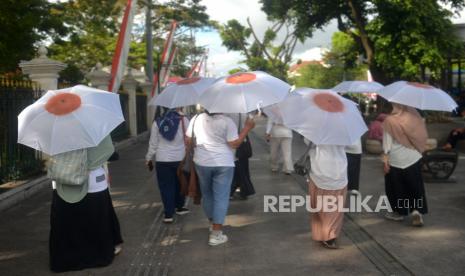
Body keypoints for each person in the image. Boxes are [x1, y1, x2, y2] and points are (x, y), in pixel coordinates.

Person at [48, 135, 123, 272]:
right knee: (96, 220)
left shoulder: (55, 128)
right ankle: (97, 256)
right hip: (93, 181)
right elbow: (107, 150)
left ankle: (67, 260)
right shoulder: (94, 123)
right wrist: (89, 164)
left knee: (67, 223)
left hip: (64, 182)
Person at [186, 111, 255, 246]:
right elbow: (234, 144)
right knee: (221, 197)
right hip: (223, 163)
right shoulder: (227, 121)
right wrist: (247, 128)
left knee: (207, 195)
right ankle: (216, 234)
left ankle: (213, 224)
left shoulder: (196, 118)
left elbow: (188, 140)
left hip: (202, 162)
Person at [383, 103, 428, 226]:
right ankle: (416, 210)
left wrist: (385, 161)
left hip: (396, 160)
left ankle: (399, 212)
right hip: (413, 158)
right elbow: (422, 137)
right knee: (415, 186)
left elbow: (387, 144)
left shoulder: (389, 120)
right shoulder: (415, 119)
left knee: (397, 188)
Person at [145, 109, 190, 223]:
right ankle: (180, 207)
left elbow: (153, 143)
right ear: (178, 108)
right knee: (180, 184)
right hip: (180, 159)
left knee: (166, 187)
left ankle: (168, 214)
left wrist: (149, 158)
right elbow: (189, 139)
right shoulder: (184, 120)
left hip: (162, 160)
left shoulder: (157, 122)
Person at [307, 139, 348, 249]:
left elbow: (308, 142)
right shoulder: (343, 129)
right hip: (338, 170)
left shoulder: (316, 127)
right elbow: (349, 145)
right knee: (334, 208)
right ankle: (330, 237)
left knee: (317, 206)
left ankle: (320, 234)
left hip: (318, 169)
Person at [226, 113, 255, 200]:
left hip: (233, 142)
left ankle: (232, 191)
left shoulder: (227, 114)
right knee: (243, 168)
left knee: (236, 169)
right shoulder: (244, 112)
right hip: (243, 141)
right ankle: (244, 191)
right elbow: (252, 124)